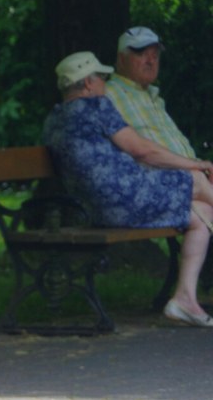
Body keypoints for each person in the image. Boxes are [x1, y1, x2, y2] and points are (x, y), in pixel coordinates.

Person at [43, 51, 213, 328]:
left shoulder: (53, 120)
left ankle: (184, 299)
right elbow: (142, 150)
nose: (105, 84)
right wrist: (196, 163)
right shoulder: (97, 106)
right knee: (195, 178)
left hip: (96, 210)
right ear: (88, 83)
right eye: (102, 78)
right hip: (125, 199)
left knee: (202, 213)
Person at [105, 26, 198, 158]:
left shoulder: (155, 98)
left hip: (194, 173)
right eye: (141, 54)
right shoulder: (107, 94)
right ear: (121, 59)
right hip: (159, 176)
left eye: (155, 55)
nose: (150, 61)